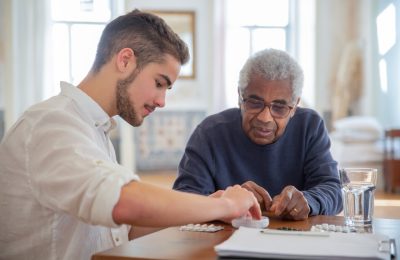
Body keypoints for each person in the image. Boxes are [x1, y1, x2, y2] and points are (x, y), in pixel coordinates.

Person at [0, 10, 261, 260]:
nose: (162, 101)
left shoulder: (93, 129)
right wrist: (226, 206)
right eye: (159, 83)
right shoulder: (51, 123)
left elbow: (123, 230)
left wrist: (204, 206)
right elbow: (122, 202)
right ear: (125, 60)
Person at [173, 48, 343, 220]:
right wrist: (230, 201)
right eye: (255, 103)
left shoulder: (310, 127)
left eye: (279, 107)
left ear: (295, 106)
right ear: (240, 97)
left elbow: (333, 190)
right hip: (223, 241)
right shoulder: (210, 133)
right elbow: (184, 201)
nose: (265, 117)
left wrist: (309, 200)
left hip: (296, 240)